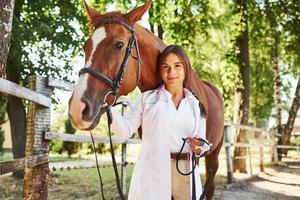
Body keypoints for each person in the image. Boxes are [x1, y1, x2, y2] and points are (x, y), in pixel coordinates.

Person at [110, 45, 210, 200]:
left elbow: (203, 143)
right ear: (160, 71)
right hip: (152, 172)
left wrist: (199, 147)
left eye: (177, 66)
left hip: (186, 174)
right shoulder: (146, 99)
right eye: (166, 67)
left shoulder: (195, 105)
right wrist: (107, 109)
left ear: (186, 69)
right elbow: (124, 131)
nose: (172, 72)